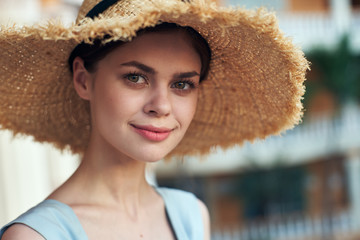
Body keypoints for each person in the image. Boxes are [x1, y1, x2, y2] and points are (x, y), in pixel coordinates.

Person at [0, 0, 308, 239]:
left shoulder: (191, 215)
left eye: (182, 84)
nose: (161, 106)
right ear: (83, 80)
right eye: (135, 77)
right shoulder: (37, 236)